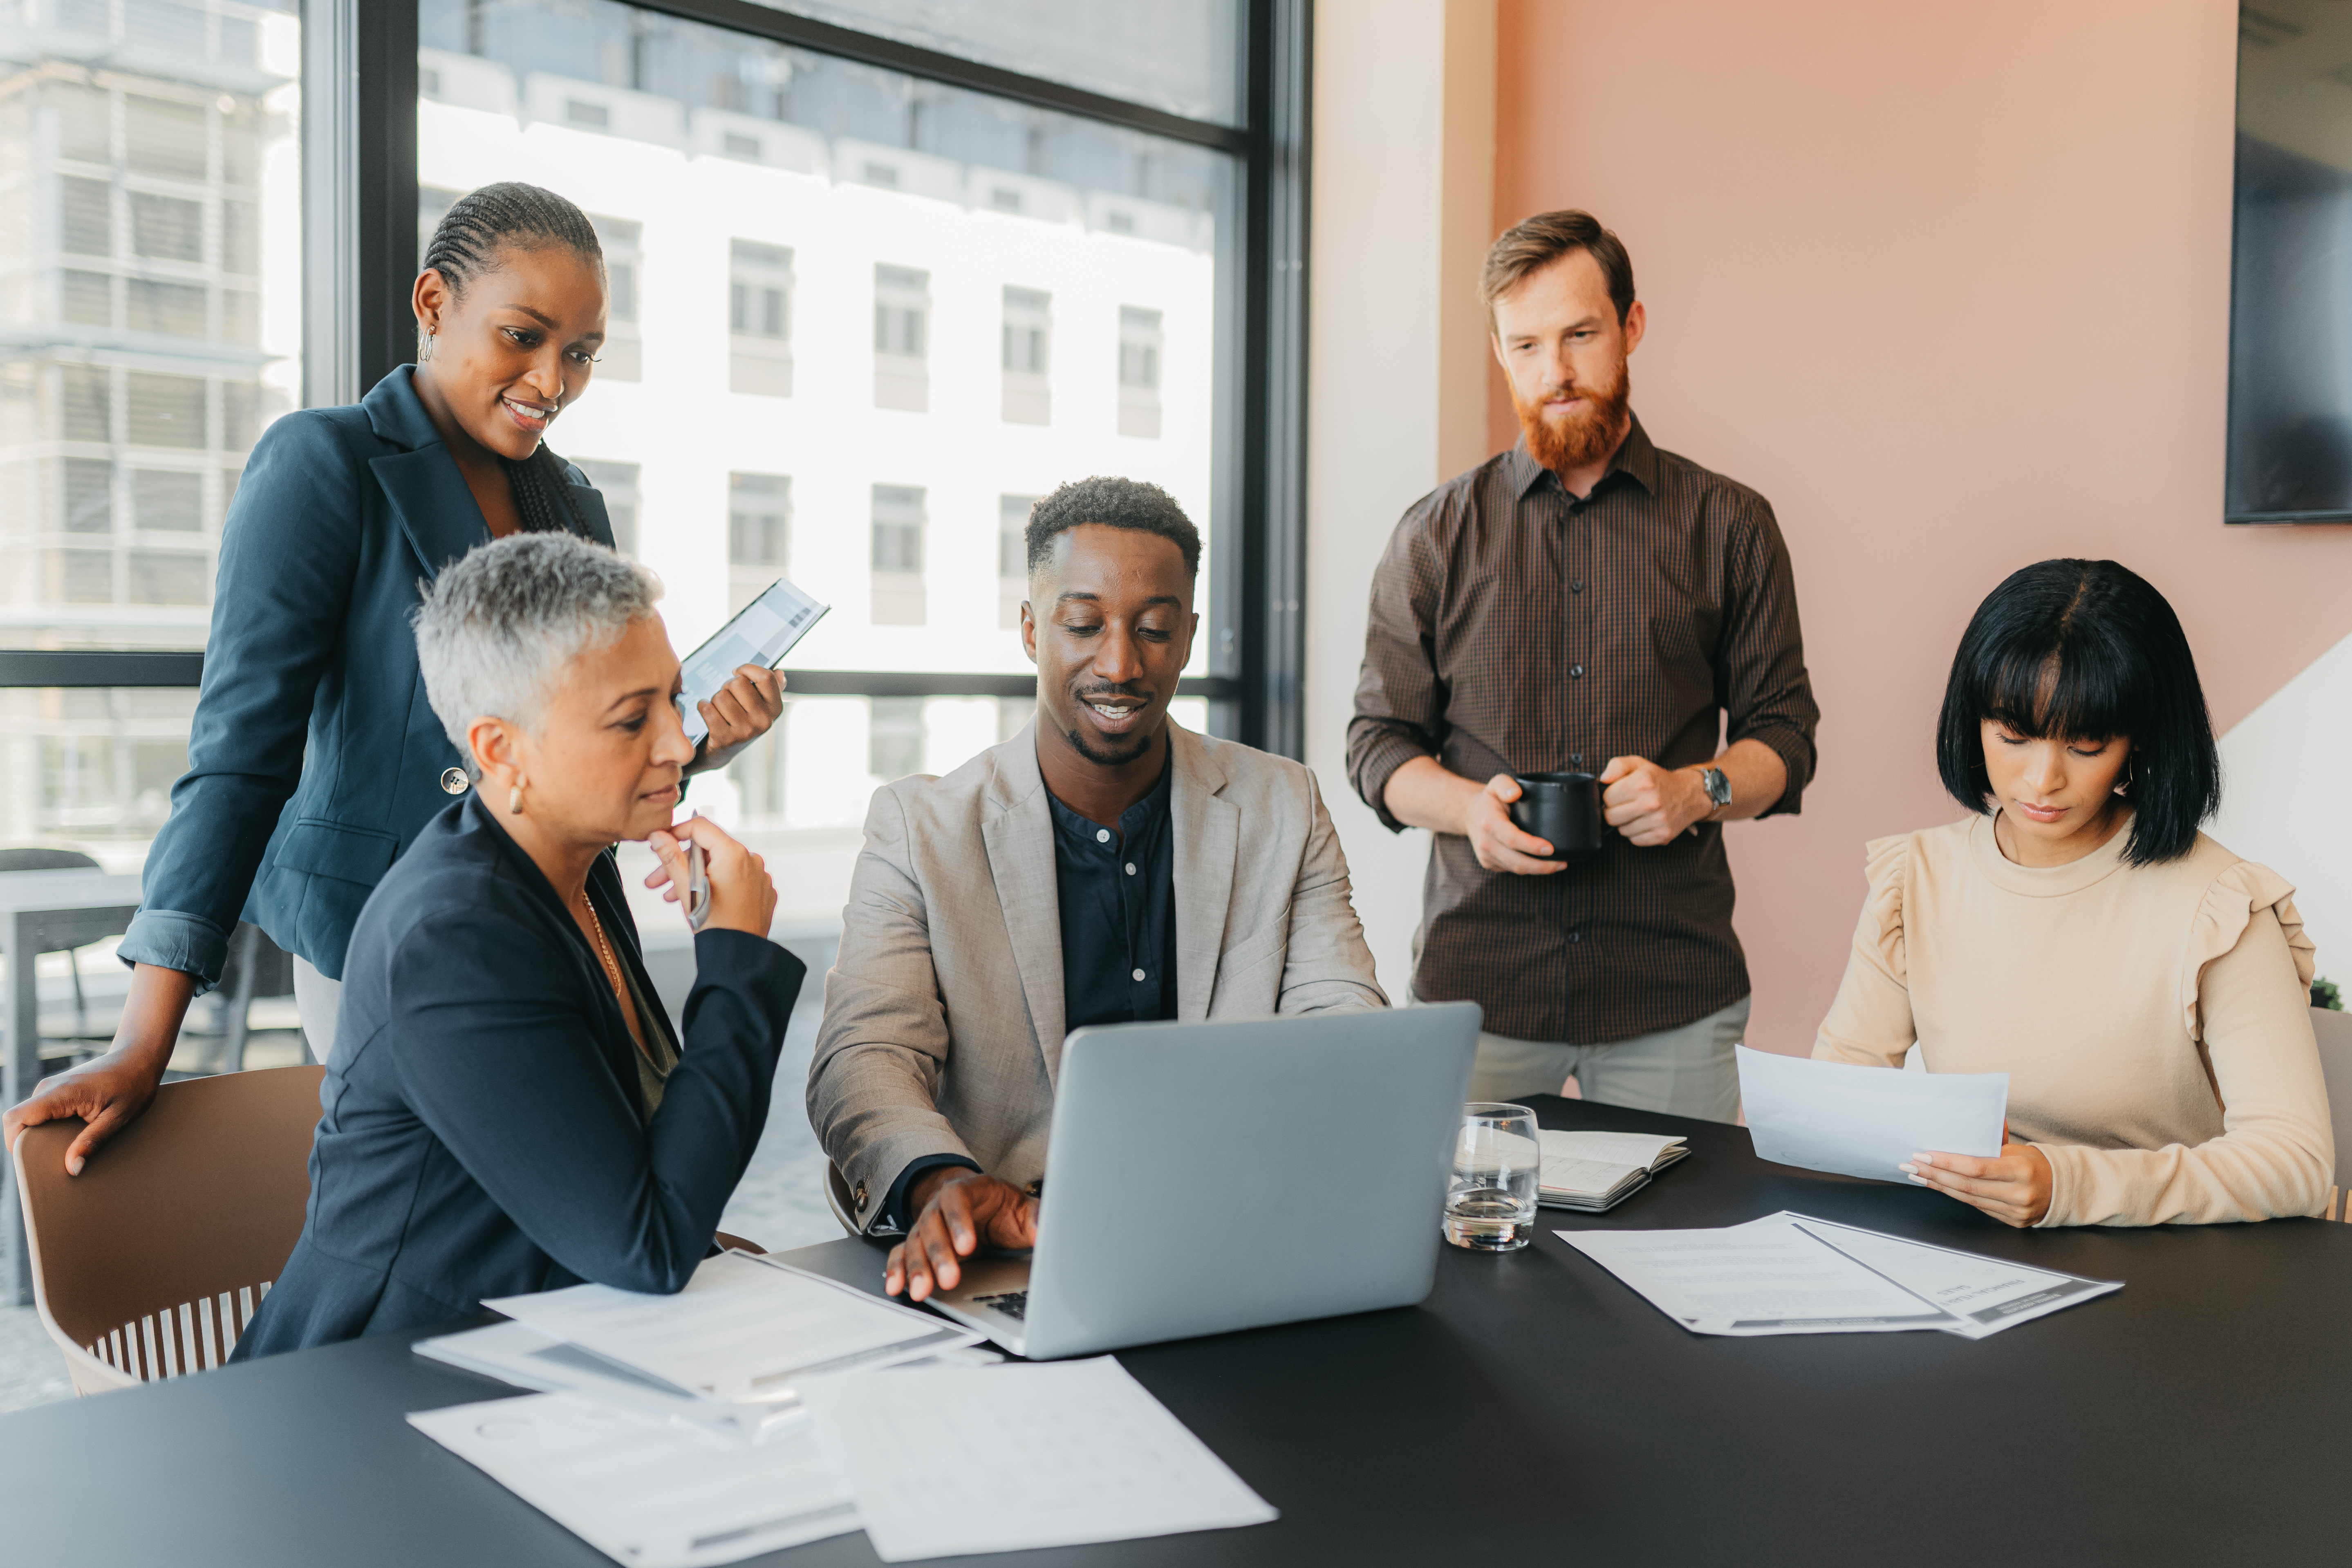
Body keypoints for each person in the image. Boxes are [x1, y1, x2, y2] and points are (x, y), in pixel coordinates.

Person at [3, 182, 781, 1175]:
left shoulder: (572, 502)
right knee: (474, 1216)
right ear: (433, 303)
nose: (553, 380)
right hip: (386, 931)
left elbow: (561, 741)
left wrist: (697, 738)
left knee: (601, 1203)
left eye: (582, 352)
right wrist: (143, 1038)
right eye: (522, 336)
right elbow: (240, 754)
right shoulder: (324, 462)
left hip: (565, 922)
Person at [806, 477, 1387, 1303]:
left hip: (1231, 1234)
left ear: (1188, 638)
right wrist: (943, 1184)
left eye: (1153, 630)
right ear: (1031, 629)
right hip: (1011, 1254)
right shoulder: (919, 827)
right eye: (1083, 626)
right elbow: (864, 1057)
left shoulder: (1281, 804)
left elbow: (1344, 1025)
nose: (1120, 664)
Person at [233, 535, 803, 1356]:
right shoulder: (455, 939)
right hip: (381, 1378)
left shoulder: (571, 873)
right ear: (500, 750)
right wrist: (736, 958)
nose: (681, 745)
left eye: (675, 700)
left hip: (541, 1337)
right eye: (632, 720)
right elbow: (648, 1245)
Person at [1348, 210, 1818, 1122]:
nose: (1554, 372)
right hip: (1477, 991)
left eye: (1579, 336)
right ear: (1500, 352)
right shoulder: (1435, 534)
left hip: (1671, 991)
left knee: (1683, 1221)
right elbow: (1377, 745)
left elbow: (1785, 737)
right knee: (1458, 1219)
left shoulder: (1731, 526)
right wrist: (1468, 811)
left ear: (1630, 327)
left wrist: (1697, 790)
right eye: (1526, 345)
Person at [1814, 558, 2332, 1228]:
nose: (2042, 780)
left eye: (2085, 746)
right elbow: (1837, 1096)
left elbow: (2295, 1163)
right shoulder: (1914, 878)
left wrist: (2067, 1184)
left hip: (2172, 1267)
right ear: (1973, 722)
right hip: (1976, 1249)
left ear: (2139, 740)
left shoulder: (2219, 907)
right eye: (2013, 736)